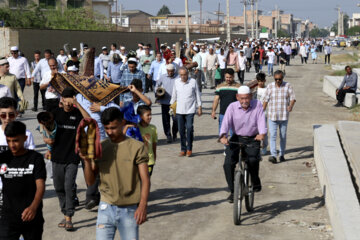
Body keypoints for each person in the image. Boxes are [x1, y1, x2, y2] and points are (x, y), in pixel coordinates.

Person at [81, 107, 150, 240]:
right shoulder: (100, 147)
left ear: (122, 122)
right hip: (105, 207)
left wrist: (142, 205)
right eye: (106, 128)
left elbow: (145, 179)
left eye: (113, 127)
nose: (110, 132)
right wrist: (87, 162)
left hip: (129, 210)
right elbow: (90, 182)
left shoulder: (137, 147)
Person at [49, 88, 90, 231]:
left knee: (68, 187)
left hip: (72, 158)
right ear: (61, 99)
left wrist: (78, 104)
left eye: (70, 98)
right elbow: (44, 125)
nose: (67, 101)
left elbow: (88, 120)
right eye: (65, 98)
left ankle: (69, 218)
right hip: (57, 157)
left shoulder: (77, 114)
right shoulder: (55, 113)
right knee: (59, 188)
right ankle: (65, 211)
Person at [219, 86, 267, 203]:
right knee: (228, 164)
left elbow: (261, 120)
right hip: (237, 137)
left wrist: (262, 134)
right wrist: (223, 135)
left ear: (251, 96)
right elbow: (226, 122)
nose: (244, 101)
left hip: (253, 137)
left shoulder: (257, 104)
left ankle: (255, 181)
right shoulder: (232, 107)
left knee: (253, 160)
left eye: (247, 98)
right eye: (242, 98)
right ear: (237, 97)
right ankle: (233, 191)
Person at [0, 121, 46, 239]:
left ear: (25, 138)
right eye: (9, 141)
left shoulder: (35, 158)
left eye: (15, 140)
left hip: (32, 217)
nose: (12, 145)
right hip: (8, 218)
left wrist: (33, 207)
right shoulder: (3, 158)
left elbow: (40, 186)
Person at [263, 70, 296, 163]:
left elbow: (293, 97)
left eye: (279, 79)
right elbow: (265, 99)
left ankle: (281, 154)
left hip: (283, 116)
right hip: (272, 116)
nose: (278, 81)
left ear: (283, 78)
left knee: (283, 136)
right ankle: (273, 155)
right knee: (273, 136)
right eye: (276, 79)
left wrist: (291, 105)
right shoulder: (270, 86)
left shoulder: (288, 86)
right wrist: (261, 111)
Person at [170, 67, 202, 157]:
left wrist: (199, 107)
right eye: (181, 75)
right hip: (179, 110)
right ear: (179, 75)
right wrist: (171, 106)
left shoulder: (193, 82)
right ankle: (183, 149)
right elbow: (174, 95)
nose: (183, 77)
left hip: (190, 109)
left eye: (185, 75)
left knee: (189, 128)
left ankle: (189, 149)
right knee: (181, 130)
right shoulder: (176, 82)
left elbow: (197, 94)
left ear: (188, 74)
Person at [211, 68, 240, 135]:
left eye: (230, 77)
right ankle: (226, 145)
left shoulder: (238, 87)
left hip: (235, 114)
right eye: (227, 77)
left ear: (233, 76)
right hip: (223, 113)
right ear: (224, 76)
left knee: (234, 134)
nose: (228, 79)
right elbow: (216, 99)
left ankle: (232, 145)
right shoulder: (220, 87)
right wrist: (213, 111)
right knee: (222, 134)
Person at [155, 64, 178, 143]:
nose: (170, 73)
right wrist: (157, 92)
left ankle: (174, 133)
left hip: (175, 102)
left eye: (171, 71)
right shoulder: (163, 77)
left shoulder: (178, 77)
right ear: (167, 71)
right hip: (165, 101)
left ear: (174, 71)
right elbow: (157, 86)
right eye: (169, 71)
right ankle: (168, 135)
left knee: (176, 119)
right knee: (165, 120)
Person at [138, 105, 157, 176]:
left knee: (147, 179)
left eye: (150, 114)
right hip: (139, 161)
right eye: (148, 115)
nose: (150, 117)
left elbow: (154, 143)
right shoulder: (136, 128)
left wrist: (154, 156)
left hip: (149, 161)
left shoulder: (153, 128)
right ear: (140, 116)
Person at [253, 72, 268, 155]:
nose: (261, 83)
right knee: (255, 131)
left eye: (262, 81)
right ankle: (256, 147)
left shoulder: (267, 89)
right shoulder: (255, 89)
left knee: (263, 131)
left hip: (263, 114)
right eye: (259, 81)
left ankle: (264, 146)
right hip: (254, 114)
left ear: (265, 80)